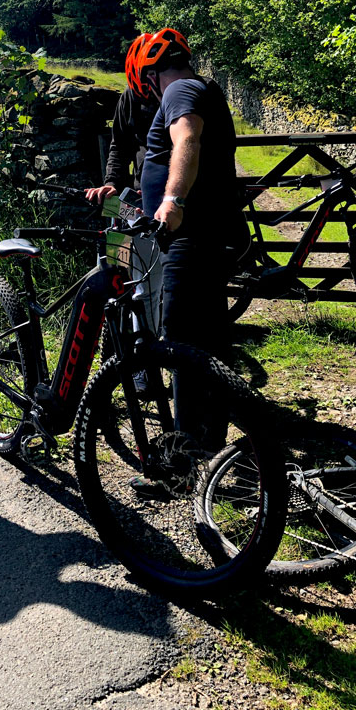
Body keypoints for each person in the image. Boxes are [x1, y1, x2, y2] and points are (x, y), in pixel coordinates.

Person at [130, 27, 249, 453]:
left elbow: (187, 138)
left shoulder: (179, 89)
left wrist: (172, 200)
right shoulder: (200, 87)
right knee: (208, 344)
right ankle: (210, 451)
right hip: (207, 235)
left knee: (180, 342)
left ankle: (185, 456)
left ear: (148, 74)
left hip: (189, 236)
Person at [85, 34, 160, 336]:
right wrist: (112, 183)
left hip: (175, 198)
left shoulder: (180, 95)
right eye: (143, 92)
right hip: (139, 196)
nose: (149, 97)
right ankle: (121, 334)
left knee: (159, 278)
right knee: (120, 262)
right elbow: (119, 145)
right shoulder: (130, 98)